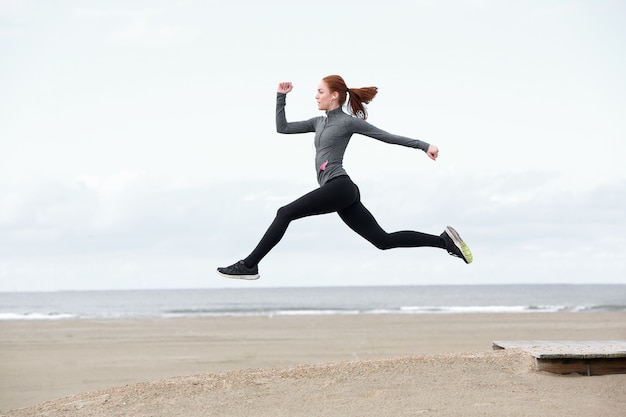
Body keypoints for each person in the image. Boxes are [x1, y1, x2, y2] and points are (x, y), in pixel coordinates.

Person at [217, 75, 472, 280]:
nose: (316, 96)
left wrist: (423, 145)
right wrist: (280, 97)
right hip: (340, 192)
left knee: (285, 213)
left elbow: (386, 135)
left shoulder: (348, 123)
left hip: (340, 187)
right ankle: (444, 242)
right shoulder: (318, 122)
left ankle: (249, 265)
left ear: (334, 95)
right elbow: (282, 128)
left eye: (320, 92)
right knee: (382, 241)